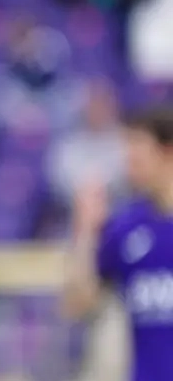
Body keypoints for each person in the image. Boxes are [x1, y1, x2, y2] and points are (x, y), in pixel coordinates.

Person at [62, 105, 173, 381]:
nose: (128, 163)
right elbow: (77, 303)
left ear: (167, 152)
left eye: (137, 152)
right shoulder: (127, 228)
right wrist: (85, 230)